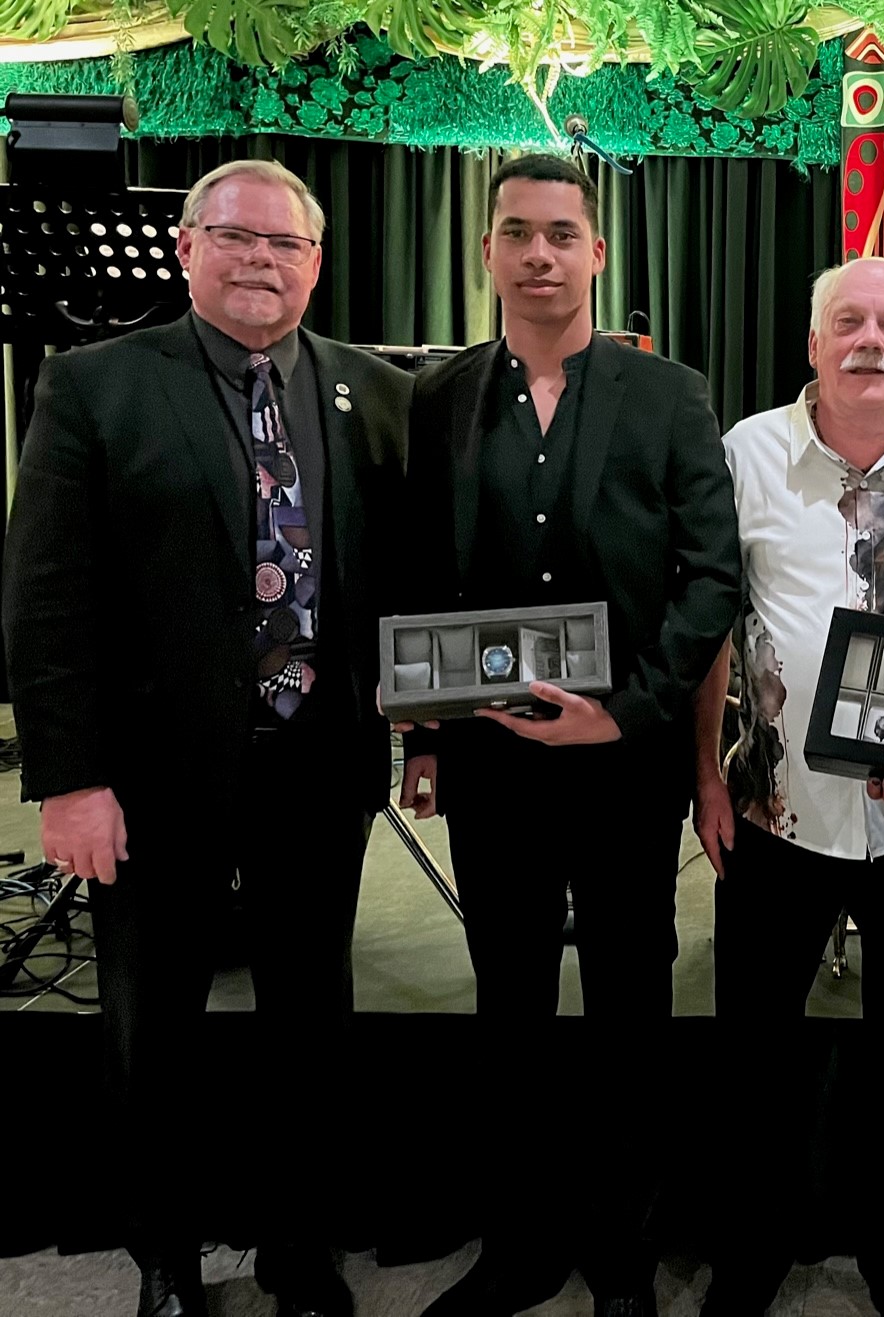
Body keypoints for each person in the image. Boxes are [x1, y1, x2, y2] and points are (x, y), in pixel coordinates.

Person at [3, 160, 411, 1317]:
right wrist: (70, 779)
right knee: (153, 1028)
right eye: (234, 237)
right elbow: (47, 598)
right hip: (151, 780)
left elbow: (396, 585)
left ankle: (297, 1249)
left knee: (309, 1024)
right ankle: (166, 1260)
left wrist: (422, 731)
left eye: (285, 245)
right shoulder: (94, 385)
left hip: (319, 769)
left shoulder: (372, 392)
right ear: (187, 248)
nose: (260, 261)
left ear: (316, 264)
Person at [393, 154, 740, 1317]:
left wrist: (629, 712)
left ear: (596, 252)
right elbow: (423, 580)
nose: (538, 253)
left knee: (630, 1011)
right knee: (509, 1009)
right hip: (491, 769)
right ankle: (520, 1244)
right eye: (516, 233)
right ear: (487, 252)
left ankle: (624, 1255)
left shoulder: (670, 395)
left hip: (621, 762)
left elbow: (713, 580)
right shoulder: (438, 398)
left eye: (561, 234)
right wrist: (425, 742)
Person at [691, 256, 884, 1316]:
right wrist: (706, 780)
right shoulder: (746, 452)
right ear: (813, 344)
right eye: (848, 323)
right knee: (754, 1050)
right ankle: (753, 1247)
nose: (870, 341)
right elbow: (714, 632)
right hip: (775, 810)